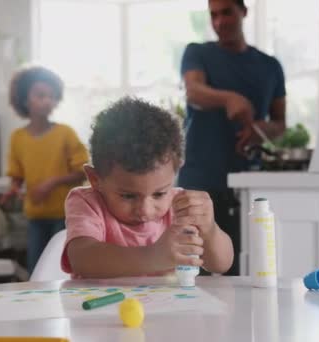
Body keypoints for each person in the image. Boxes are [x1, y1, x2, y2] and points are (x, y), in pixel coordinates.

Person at [61, 97, 234, 278]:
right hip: (102, 306)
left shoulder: (181, 206)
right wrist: (153, 256)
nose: (145, 210)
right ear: (95, 179)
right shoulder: (87, 202)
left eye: (159, 194)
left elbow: (221, 264)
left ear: (174, 173)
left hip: (168, 306)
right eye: (128, 196)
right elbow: (81, 259)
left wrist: (210, 229)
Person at [179, 0, 287, 275]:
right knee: (194, 271)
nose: (219, 22)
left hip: (247, 185)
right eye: (213, 15)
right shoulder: (197, 53)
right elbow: (193, 91)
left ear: (244, 11)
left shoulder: (270, 66)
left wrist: (260, 130)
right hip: (200, 182)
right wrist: (230, 98)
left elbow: (280, 123)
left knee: (245, 268)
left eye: (226, 12)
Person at [2, 65, 89, 275]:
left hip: (64, 215)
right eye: (40, 95)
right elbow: (17, 174)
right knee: (36, 270)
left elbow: (84, 170)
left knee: (60, 270)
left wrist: (52, 183)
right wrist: (13, 189)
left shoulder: (65, 133)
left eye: (51, 96)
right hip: (35, 216)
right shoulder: (18, 138)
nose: (47, 100)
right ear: (25, 100)